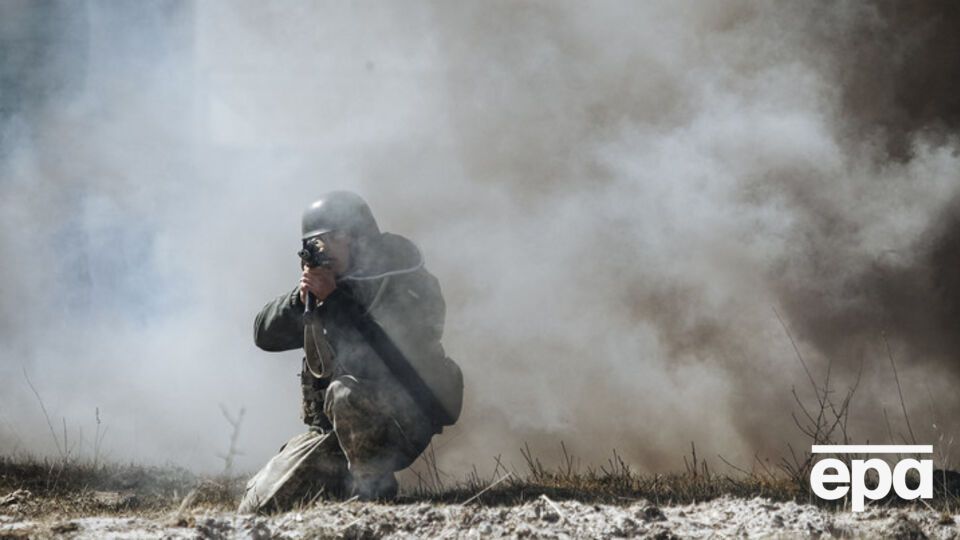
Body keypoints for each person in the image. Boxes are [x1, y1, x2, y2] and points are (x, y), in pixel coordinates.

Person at [239, 191, 462, 513]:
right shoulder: (328, 288)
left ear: (358, 238)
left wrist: (336, 300)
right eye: (316, 242)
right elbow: (264, 335)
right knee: (259, 507)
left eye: (330, 239)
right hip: (339, 431)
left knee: (345, 392)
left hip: (403, 417)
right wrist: (302, 298)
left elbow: (391, 352)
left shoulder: (404, 282)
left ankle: (373, 491)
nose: (322, 249)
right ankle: (342, 485)